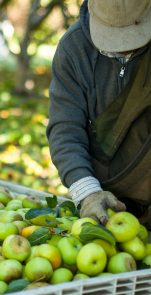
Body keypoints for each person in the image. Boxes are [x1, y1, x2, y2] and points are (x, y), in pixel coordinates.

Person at [46, 0, 151, 229]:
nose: (124, 47)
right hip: (104, 199)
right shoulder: (74, 48)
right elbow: (65, 128)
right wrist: (87, 192)